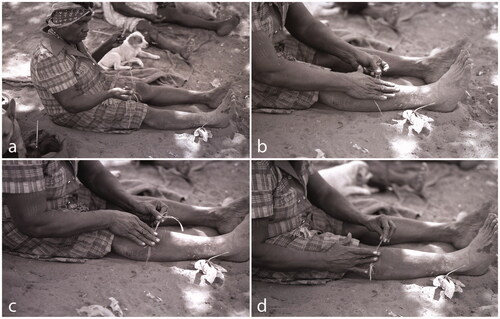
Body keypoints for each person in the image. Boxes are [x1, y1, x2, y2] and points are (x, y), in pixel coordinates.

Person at [252, 161, 497, 284]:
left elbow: (324, 194)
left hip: (300, 215)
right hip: (277, 240)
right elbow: (256, 249)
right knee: (353, 254)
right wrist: (325, 259)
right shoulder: (261, 169)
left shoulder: (295, 158)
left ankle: (454, 231)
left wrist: (365, 219)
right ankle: (460, 262)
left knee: (363, 224)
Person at [31, 3, 233, 134]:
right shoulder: (49, 58)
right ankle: (208, 119)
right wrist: (109, 94)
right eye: (80, 24)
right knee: (143, 112)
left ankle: (206, 97)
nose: (86, 29)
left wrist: (108, 45)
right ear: (60, 26)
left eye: (87, 22)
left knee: (142, 88)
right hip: (77, 111)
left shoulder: (68, 37)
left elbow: (86, 64)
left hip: (95, 85)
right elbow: (72, 105)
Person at [2, 160, 249, 263]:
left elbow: (94, 172)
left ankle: (217, 216)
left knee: (137, 208)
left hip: (67, 195)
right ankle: (224, 247)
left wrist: (129, 202)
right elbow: (34, 223)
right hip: (29, 221)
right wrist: (108, 219)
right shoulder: (16, 158)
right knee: (124, 233)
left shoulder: (47, 136)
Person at [252, 2, 471, 113]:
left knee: (332, 50)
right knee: (319, 83)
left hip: (269, 43)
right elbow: (269, 69)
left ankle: (423, 66)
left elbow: (305, 25)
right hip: (255, 69)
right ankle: (433, 96)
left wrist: (353, 53)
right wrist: (345, 82)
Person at [103, 2, 240, 59]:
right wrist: (146, 16)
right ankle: (180, 49)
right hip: (126, 14)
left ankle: (217, 26)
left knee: (175, 14)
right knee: (150, 30)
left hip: (143, 6)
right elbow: (119, 7)